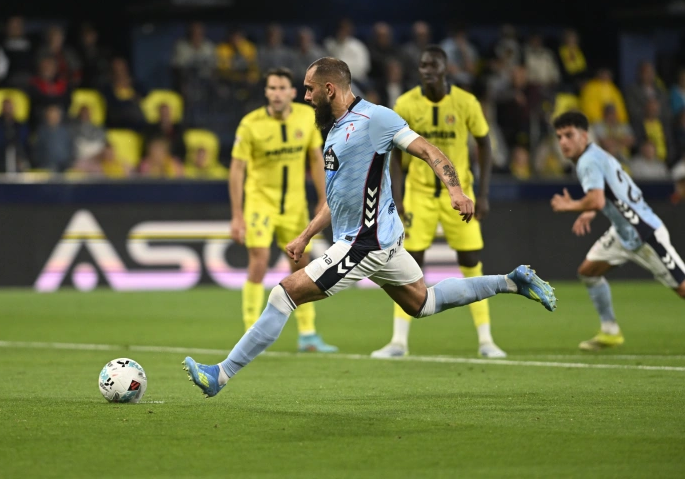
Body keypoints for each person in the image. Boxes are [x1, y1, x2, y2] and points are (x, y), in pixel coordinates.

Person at [183, 57, 556, 398]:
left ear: (330, 89)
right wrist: (306, 235)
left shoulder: (376, 119)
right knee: (424, 303)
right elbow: (338, 197)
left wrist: (455, 190)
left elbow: (429, 151)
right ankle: (512, 281)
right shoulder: (334, 129)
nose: (305, 96)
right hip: (382, 241)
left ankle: (221, 374)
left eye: (310, 89)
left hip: (364, 243)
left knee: (284, 295)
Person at [371, 46, 502, 359]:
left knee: (470, 259)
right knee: (407, 262)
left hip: (458, 194)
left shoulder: (466, 102)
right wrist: (397, 197)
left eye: (433, 65)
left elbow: (484, 143)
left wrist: (483, 194)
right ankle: (398, 341)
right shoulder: (406, 103)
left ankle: (486, 339)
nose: (427, 71)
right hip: (419, 195)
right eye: (423, 66)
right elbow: (394, 154)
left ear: (446, 69)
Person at [549, 111, 685, 351]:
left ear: (584, 135)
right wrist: (590, 210)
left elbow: (597, 200)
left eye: (569, 135)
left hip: (644, 233)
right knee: (588, 272)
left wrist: (570, 205)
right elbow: (610, 193)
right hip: (623, 233)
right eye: (559, 137)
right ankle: (610, 331)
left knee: (682, 287)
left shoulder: (588, 161)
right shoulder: (597, 154)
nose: (563, 142)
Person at [229, 67, 336, 353]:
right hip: (260, 204)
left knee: (301, 266)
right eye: (272, 88)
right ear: (266, 92)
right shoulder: (250, 124)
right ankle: (251, 333)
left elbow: (316, 159)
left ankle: (308, 334)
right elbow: (237, 169)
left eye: (281, 88)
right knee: (259, 260)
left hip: (294, 206)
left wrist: (323, 197)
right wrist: (237, 214)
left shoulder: (306, 117)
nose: (277, 94)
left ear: (292, 92)